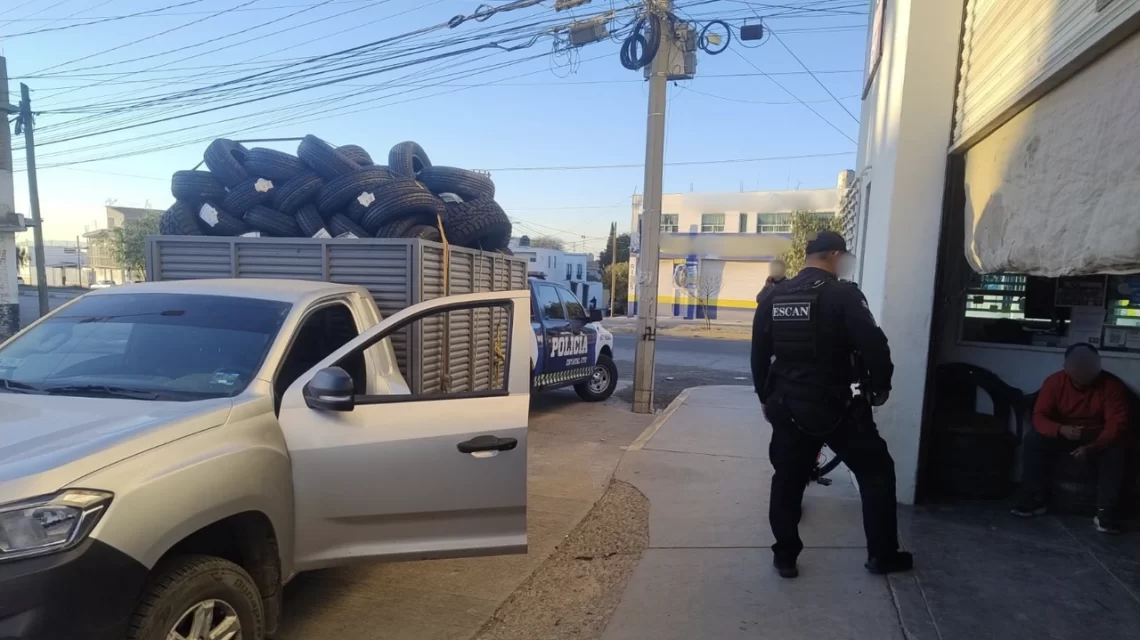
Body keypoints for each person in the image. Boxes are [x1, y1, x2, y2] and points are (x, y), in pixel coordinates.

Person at [751, 230, 910, 579]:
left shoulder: (774, 295)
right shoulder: (843, 295)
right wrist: (880, 386)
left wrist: (764, 397)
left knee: (788, 478)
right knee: (876, 472)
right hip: (835, 406)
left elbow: (759, 353)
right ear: (836, 255)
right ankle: (882, 555)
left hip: (786, 403)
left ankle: (785, 557)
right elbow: (875, 345)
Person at [1012, 343, 1129, 534]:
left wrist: (1093, 447)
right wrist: (1060, 429)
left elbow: (1116, 425)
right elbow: (1039, 416)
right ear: (1066, 366)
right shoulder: (1054, 382)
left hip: (1096, 436)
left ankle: (1106, 512)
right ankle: (1032, 499)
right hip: (1064, 432)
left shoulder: (1112, 386)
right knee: (1033, 440)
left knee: (1116, 449)